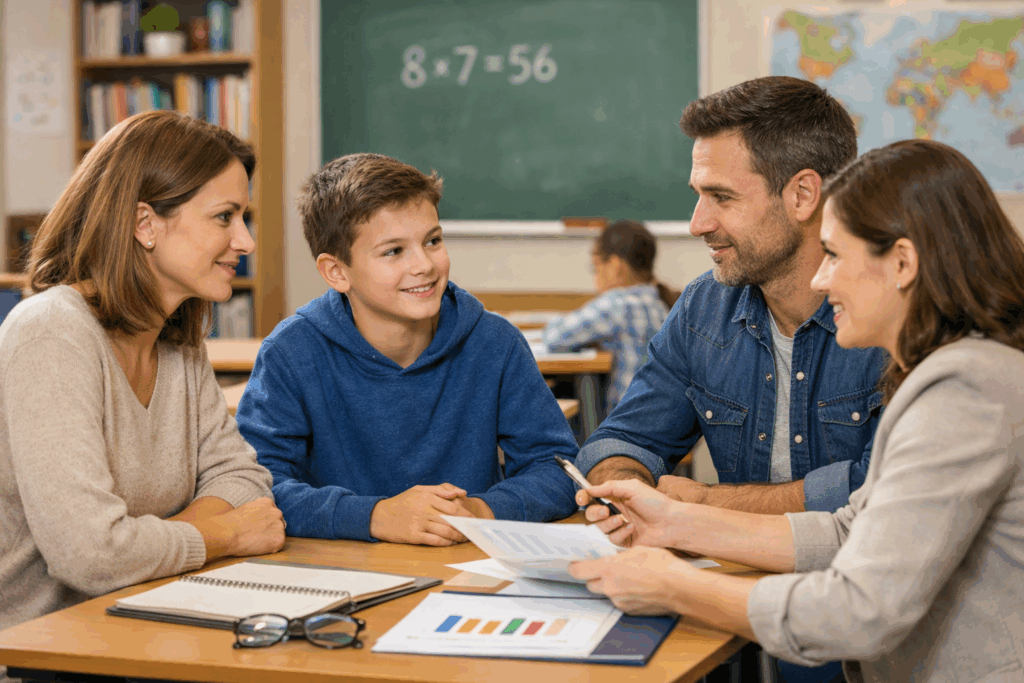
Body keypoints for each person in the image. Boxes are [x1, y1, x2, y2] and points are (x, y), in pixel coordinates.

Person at [570, 139, 1024, 682]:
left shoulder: (965, 388)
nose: (820, 278)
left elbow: (859, 612)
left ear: (902, 262)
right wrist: (675, 521)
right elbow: (848, 532)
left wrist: (674, 585)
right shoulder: (945, 372)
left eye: (834, 255)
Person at [0, 111, 285, 667]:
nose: (245, 240)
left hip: (151, 629)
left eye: (243, 217)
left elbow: (246, 480)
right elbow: (90, 556)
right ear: (144, 224)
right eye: (225, 217)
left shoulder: (178, 339)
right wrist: (221, 535)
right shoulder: (50, 333)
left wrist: (152, 542)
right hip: (48, 656)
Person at [577, 76, 888, 516]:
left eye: (721, 197)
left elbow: (885, 492)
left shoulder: (897, 315)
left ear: (803, 195)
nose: (697, 223)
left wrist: (705, 502)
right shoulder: (703, 308)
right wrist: (630, 489)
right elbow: (621, 440)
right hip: (734, 575)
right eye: (699, 195)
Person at [235, 152, 578, 547]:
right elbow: (257, 486)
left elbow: (558, 469)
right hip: (340, 568)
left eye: (432, 241)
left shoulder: (495, 342)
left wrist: (479, 512)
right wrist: (374, 516)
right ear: (337, 272)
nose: (424, 265)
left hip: (467, 564)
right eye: (393, 251)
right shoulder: (291, 352)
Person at [542, 219, 679, 413]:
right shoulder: (661, 302)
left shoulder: (616, 304)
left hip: (628, 426)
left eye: (595, 268)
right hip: (663, 421)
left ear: (615, 266)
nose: (595, 277)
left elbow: (554, 338)